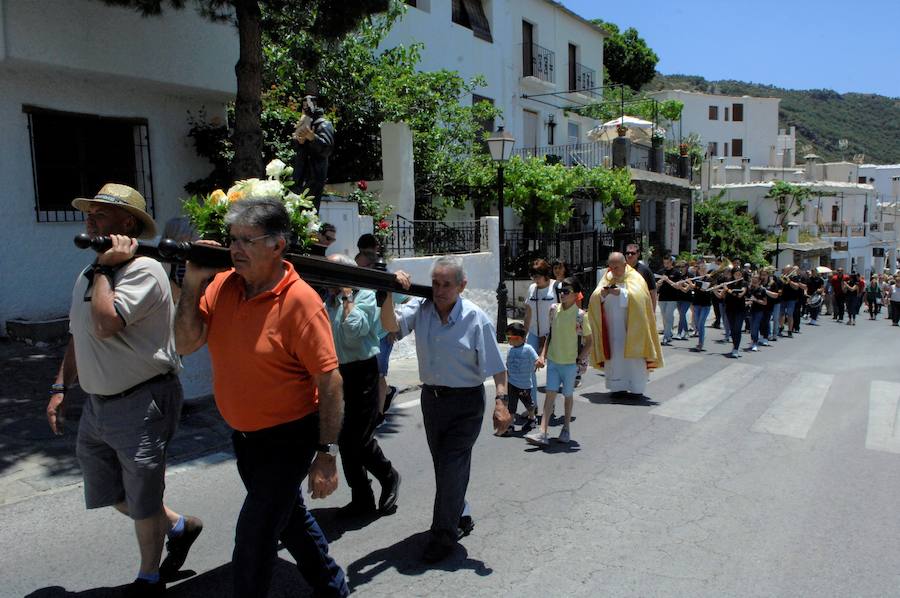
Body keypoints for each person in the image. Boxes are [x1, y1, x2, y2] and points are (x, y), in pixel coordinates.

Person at [174, 198, 349, 597]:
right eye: (232, 239)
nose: (235, 249)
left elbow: (330, 382)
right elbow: (184, 342)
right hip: (245, 437)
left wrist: (325, 454)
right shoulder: (221, 286)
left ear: (277, 246)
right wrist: (191, 282)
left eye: (246, 241)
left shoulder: (299, 301)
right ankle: (333, 587)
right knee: (288, 519)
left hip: (289, 438)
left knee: (253, 539)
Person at [46, 183, 201, 596]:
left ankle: (149, 578)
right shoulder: (90, 273)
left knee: (144, 498)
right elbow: (80, 334)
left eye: (100, 214)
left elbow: (105, 323)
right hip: (98, 406)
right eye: (89, 213)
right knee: (110, 492)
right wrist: (61, 386)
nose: (89, 220)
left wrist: (103, 269)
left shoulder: (144, 270)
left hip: (142, 400)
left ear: (126, 224)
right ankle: (180, 527)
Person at [380, 257, 510, 564]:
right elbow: (390, 327)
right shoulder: (420, 309)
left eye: (446, 285)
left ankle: (443, 537)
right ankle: (460, 513)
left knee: (451, 466)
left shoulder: (476, 319)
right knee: (445, 466)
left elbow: (496, 367)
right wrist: (387, 289)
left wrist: (501, 403)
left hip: (466, 403)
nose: (438, 291)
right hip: (433, 401)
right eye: (435, 283)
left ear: (462, 286)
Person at [324, 254, 400, 518]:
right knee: (344, 439)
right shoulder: (329, 300)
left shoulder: (364, 296)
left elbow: (354, 329)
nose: (327, 281)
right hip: (339, 372)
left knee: (358, 438)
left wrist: (347, 296)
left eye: (332, 275)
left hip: (363, 372)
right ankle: (362, 498)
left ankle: (389, 476)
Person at [526, 276, 592, 446]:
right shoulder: (554, 309)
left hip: (570, 364)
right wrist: (542, 355)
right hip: (554, 362)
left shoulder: (580, 316)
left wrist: (579, 359)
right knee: (550, 395)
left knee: (568, 396)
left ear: (576, 294)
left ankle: (566, 428)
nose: (562, 294)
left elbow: (589, 340)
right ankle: (543, 432)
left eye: (566, 291)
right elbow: (550, 335)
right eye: (560, 291)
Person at [587, 252, 664, 397]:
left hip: (631, 328)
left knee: (634, 359)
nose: (613, 271)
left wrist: (621, 293)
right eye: (611, 267)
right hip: (611, 329)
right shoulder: (608, 277)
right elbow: (594, 297)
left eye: (616, 267)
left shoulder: (635, 277)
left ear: (624, 264)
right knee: (615, 357)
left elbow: (641, 297)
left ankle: (636, 388)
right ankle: (617, 387)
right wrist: (601, 295)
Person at [292, 95, 335, 212]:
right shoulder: (305, 122)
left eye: (308, 105)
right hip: (299, 176)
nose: (305, 108)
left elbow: (327, 149)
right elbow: (297, 148)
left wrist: (313, 138)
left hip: (313, 176)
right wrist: (299, 142)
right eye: (304, 105)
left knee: (308, 212)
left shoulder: (324, 124)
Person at [523, 259, 556, 412]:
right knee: (530, 368)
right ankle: (533, 405)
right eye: (532, 276)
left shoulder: (556, 287)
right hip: (534, 333)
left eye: (537, 276)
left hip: (552, 334)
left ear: (545, 274)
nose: (535, 279)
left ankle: (550, 404)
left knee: (552, 371)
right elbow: (528, 312)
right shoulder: (531, 289)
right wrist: (523, 334)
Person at [504, 321, 539, 433]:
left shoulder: (528, 349)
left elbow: (536, 359)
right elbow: (508, 364)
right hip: (512, 383)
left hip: (524, 384)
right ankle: (510, 425)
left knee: (528, 404)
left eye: (510, 337)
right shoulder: (510, 350)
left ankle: (532, 419)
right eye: (507, 337)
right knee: (511, 405)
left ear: (519, 338)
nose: (508, 339)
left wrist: (539, 362)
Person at [715, 268, 748, 358]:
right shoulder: (728, 283)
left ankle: (736, 349)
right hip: (729, 309)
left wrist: (728, 290)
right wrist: (715, 290)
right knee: (733, 330)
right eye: (736, 274)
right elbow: (721, 296)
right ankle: (734, 346)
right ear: (733, 274)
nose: (738, 275)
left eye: (740, 274)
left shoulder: (744, 283)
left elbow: (740, 295)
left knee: (737, 329)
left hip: (740, 309)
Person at [656, 255, 681, 346]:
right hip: (662, 298)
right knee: (664, 317)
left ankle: (666, 337)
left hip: (672, 298)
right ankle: (669, 333)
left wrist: (668, 280)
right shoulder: (661, 272)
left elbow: (678, 286)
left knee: (668, 316)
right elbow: (655, 286)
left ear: (671, 262)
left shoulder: (677, 272)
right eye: (664, 263)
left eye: (667, 263)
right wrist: (659, 283)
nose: (665, 264)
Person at [625, 243, 658, 312]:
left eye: (632, 253)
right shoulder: (620, 269)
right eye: (627, 253)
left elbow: (653, 292)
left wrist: (653, 312)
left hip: (640, 309)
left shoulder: (645, 270)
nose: (629, 255)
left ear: (638, 254)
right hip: (623, 308)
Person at [746, 274, 768, 352]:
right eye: (753, 279)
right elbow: (748, 299)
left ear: (759, 281)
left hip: (759, 311)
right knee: (751, 327)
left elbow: (765, 302)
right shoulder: (750, 289)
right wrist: (748, 302)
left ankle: (755, 343)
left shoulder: (762, 290)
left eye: (755, 279)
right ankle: (752, 340)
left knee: (755, 326)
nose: (753, 280)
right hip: (750, 310)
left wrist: (756, 300)